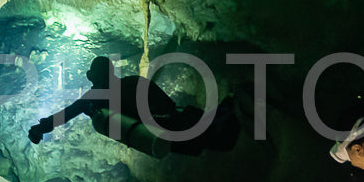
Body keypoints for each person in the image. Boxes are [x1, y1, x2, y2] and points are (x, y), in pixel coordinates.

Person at [28, 56, 240, 157]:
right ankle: (236, 104)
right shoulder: (131, 81)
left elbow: (66, 114)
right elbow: (165, 102)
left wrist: (41, 128)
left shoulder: (94, 96)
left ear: (95, 76)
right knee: (214, 136)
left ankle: (235, 107)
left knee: (214, 140)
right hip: (169, 121)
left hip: (157, 132)